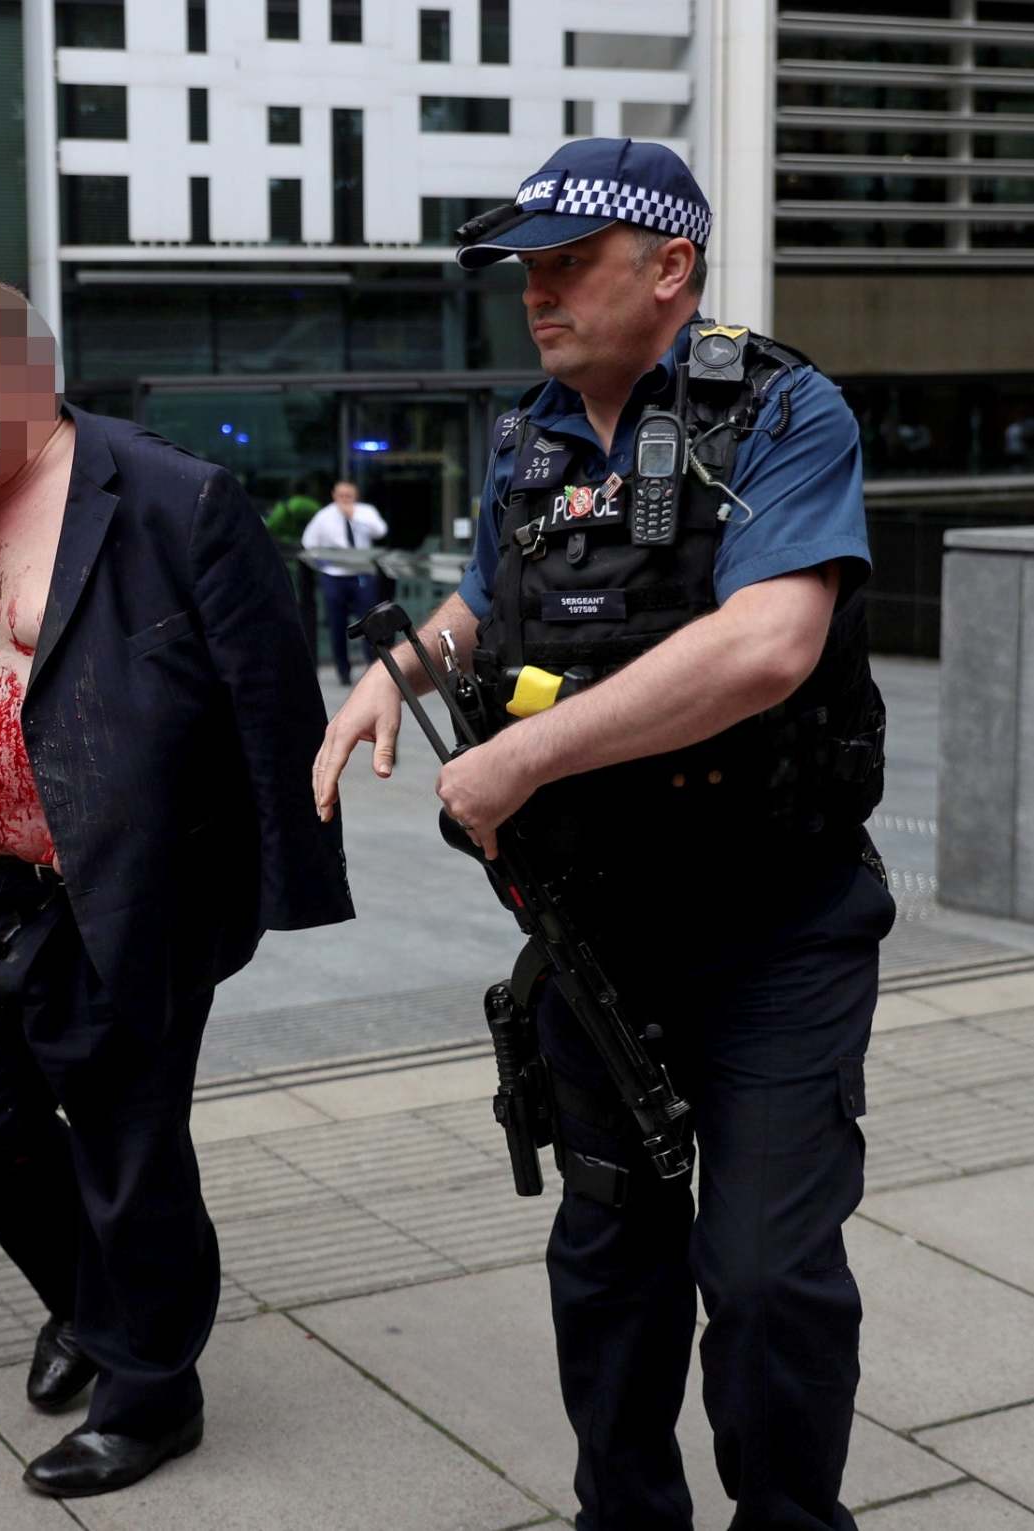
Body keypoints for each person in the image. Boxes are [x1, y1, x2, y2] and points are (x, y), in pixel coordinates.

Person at [314, 138, 892, 1531]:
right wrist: (387, 679)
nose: (537, 291)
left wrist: (516, 757)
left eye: (568, 261)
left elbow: (764, 647)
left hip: (775, 927)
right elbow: (479, 605)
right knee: (610, 1256)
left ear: (670, 266)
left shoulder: (783, 414)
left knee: (764, 1273)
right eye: (527, 268)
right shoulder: (531, 436)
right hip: (596, 932)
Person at [0, 279, 353, 1498]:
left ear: (17, 381)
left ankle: (152, 1390)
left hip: (126, 884)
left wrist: (255, 898)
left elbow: (271, 701)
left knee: (127, 1150)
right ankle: (95, 1304)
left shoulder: (167, 495)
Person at [299, 480, 389, 680]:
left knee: (369, 622)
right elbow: (308, 542)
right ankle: (343, 671)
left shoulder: (365, 512)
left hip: (361, 574)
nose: (344, 500)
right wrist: (323, 565)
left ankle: (373, 666)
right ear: (334, 495)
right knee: (337, 624)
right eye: (341, 496)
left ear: (356, 495)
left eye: (349, 496)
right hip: (334, 575)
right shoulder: (324, 516)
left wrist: (353, 517)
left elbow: (380, 531)